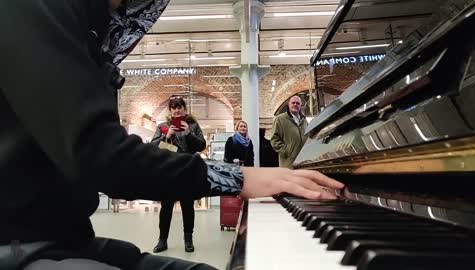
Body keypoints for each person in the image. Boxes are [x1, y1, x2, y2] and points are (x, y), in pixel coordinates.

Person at [0, 1, 344, 270]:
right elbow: (104, 156)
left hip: (66, 237)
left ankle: (187, 238)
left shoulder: (86, 32)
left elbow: (188, 146)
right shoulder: (37, 11)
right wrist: (239, 177)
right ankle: (165, 237)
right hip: (20, 246)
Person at [150, 96, 206, 253]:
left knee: (188, 206)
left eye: (179, 107)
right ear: (170, 111)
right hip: (168, 172)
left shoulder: (193, 126)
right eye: (174, 107)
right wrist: (166, 136)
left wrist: (188, 133)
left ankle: (188, 240)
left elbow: (201, 146)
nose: (177, 110)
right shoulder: (162, 127)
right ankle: (162, 240)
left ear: (185, 110)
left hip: (187, 171)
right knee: (166, 207)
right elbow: (153, 147)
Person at [270, 96, 309, 169]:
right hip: (288, 163)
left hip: (303, 162)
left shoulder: (304, 120)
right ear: (289, 104)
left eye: (297, 103)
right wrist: (286, 151)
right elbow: (274, 140)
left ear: (300, 106)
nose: (295, 105)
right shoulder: (280, 119)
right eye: (293, 103)